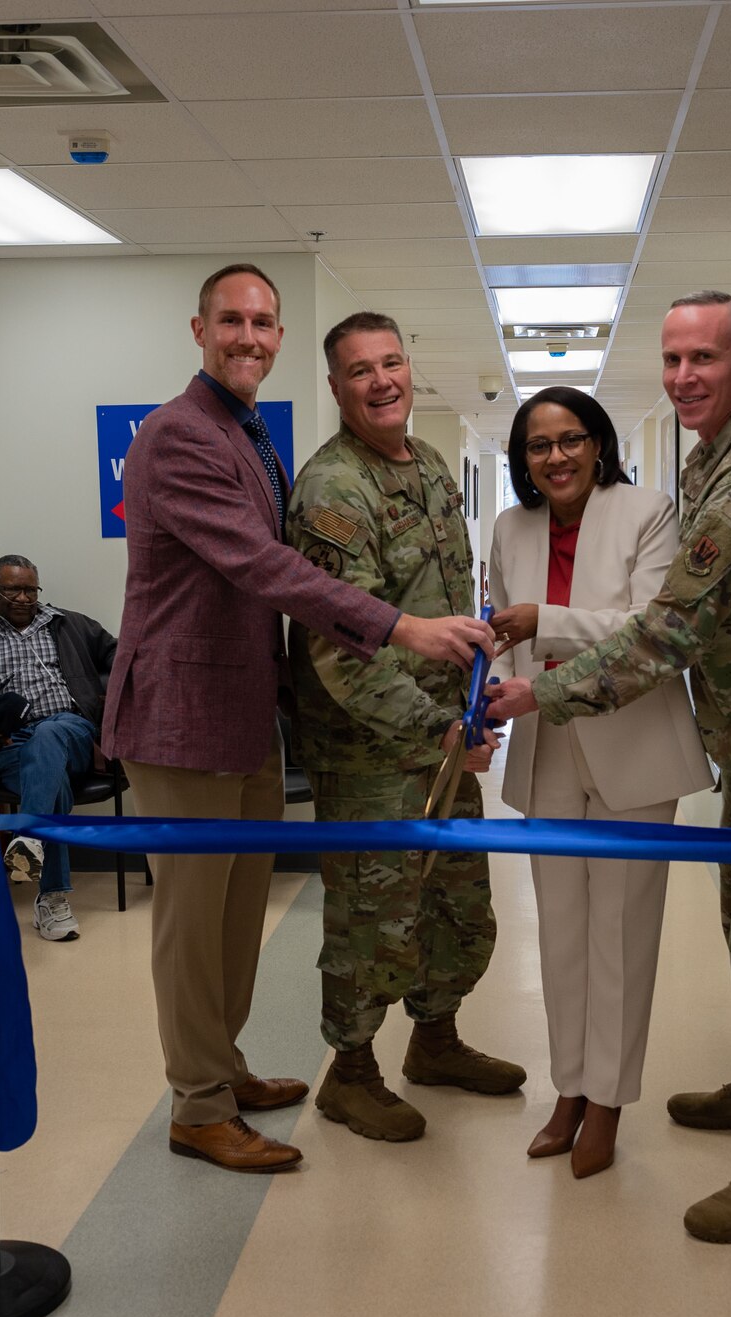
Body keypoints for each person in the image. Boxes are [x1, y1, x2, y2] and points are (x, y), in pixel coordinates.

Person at [488, 291, 731, 1243]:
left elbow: (664, 631)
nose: (685, 375)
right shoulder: (717, 456)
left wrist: (541, 686)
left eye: (706, 357)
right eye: (672, 359)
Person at [103, 265, 494, 1177]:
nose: (250, 336)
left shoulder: (244, 432)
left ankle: (224, 1069)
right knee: (193, 930)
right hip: (180, 721)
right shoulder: (176, 436)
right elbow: (260, 566)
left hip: (243, 715)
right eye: (232, 321)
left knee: (237, 921)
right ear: (198, 329)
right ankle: (197, 1106)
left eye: (264, 321)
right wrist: (399, 626)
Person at [286, 311, 523, 1145]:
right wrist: (437, 730)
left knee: (458, 903)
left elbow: (447, 601)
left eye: (391, 363)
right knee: (372, 915)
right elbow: (340, 653)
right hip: (372, 751)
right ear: (336, 386)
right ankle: (350, 1073)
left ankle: (436, 1038)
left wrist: (470, 703)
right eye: (360, 370)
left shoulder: (425, 464)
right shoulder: (332, 491)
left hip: (441, 736)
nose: (382, 381)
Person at [488, 386, 712, 1179]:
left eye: (571, 439)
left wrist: (539, 619)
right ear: (523, 460)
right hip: (547, 748)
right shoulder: (510, 525)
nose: (556, 456)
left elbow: (647, 627)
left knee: (622, 932)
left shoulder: (648, 511)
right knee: (561, 933)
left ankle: (609, 1101)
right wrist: (489, 703)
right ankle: (569, 1089)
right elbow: (500, 633)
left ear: (599, 443)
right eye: (538, 445)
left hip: (636, 750)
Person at [0, 554, 116, 942]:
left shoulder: (70, 623)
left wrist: (108, 704)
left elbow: (119, 656)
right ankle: (49, 900)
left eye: (30, 589)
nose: (24, 598)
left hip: (70, 730)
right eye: (13, 590)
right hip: (11, 743)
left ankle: (33, 839)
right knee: (50, 783)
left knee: (50, 735)